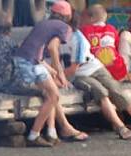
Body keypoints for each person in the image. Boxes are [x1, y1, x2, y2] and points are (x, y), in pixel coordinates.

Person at [63, 23, 131, 139]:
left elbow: (75, 64)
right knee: (101, 92)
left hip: (95, 67)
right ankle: (121, 127)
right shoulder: (54, 43)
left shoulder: (77, 37)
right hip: (80, 75)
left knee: (118, 93)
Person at [13, 0, 89, 146]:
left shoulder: (43, 24)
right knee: (54, 95)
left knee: (51, 95)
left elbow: (36, 50)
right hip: (30, 65)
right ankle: (34, 135)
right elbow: (53, 48)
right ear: (67, 16)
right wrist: (60, 72)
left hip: (25, 61)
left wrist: (51, 70)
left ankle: (52, 132)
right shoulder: (64, 28)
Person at [81, 4, 131, 84]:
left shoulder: (83, 31)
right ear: (105, 17)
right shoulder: (111, 29)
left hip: (95, 74)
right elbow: (117, 49)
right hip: (118, 74)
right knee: (126, 34)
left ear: (91, 18)